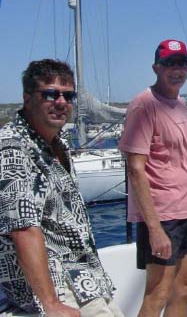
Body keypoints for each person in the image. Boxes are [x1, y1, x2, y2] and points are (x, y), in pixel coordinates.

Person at [0, 59, 123, 316]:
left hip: (86, 280)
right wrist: (51, 303)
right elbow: (23, 228)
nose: (61, 102)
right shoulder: (12, 148)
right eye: (50, 94)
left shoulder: (59, 144)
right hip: (58, 286)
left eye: (68, 96)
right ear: (27, 98)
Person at [119, 40, 187, 317]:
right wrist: (155, 228)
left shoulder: (179, 103)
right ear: (156, 68)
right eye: (169, 63)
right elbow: (135, 169)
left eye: (182, 63)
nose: (177, 70)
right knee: (158, 293)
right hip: (165, 215)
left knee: (186, 287)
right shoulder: (144, 105)